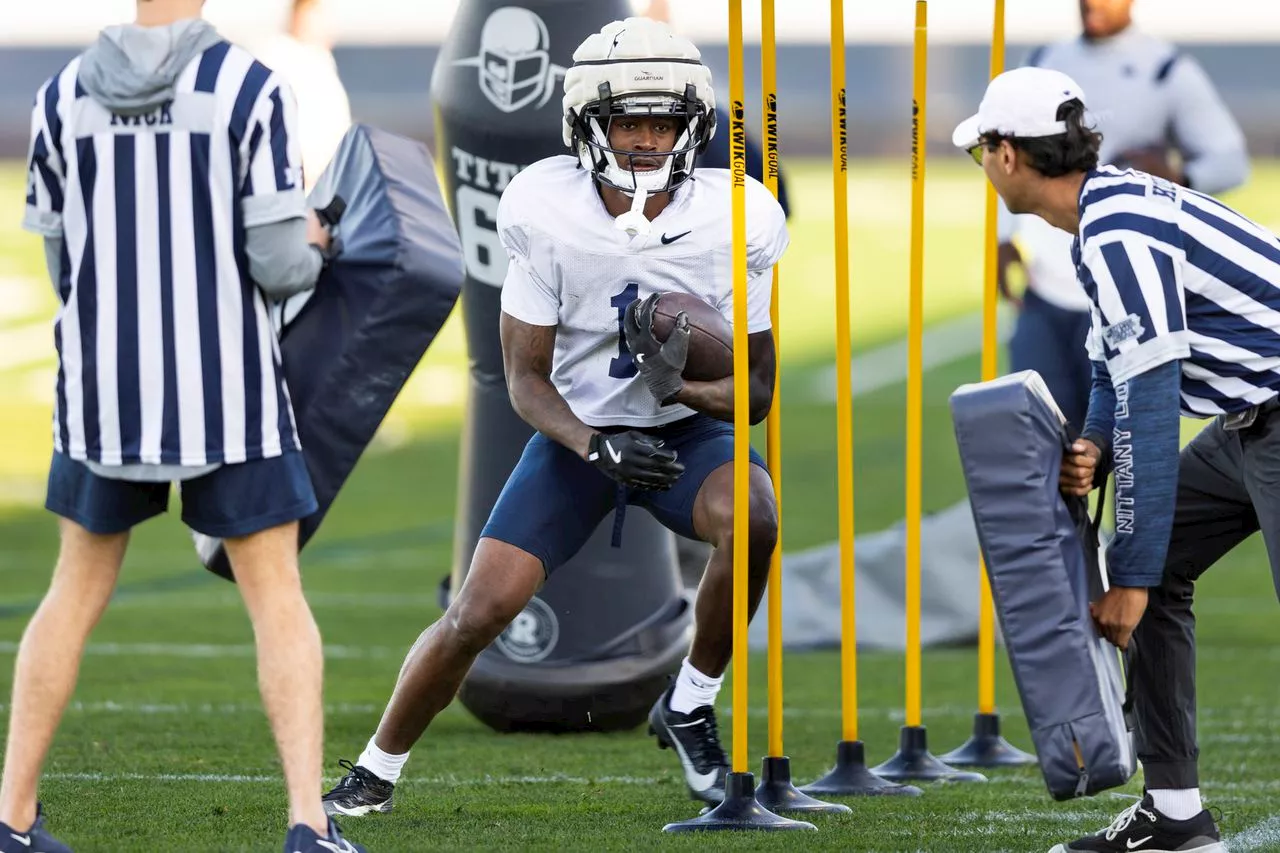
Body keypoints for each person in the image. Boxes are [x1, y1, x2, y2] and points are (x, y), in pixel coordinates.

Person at [321, 16, 786, 816]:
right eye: (628, 121)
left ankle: (688, 702)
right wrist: (595, 445)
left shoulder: (738, 215)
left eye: (663, 122)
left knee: (754, 517)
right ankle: (375, 770)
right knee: (479, 612)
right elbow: (524, 379)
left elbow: (756, 393)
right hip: (575, 436)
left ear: (693, 126)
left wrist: (675, 386)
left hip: (683, 437)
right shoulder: (544, 206)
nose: (645, 139)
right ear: (586, 125)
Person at [2, 2, 363, 851]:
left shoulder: (59, 97)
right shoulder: (248, 87)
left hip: (102, 392)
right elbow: (278, 263)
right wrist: (315, 238)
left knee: (72, 592)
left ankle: (11, 815)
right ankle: (308, 822)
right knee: (276, 599)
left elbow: (61, 260)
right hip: (227, 389)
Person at [952, 65, 1277, 853]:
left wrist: (1127, 575)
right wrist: (1094, 439)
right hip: (1250, 420)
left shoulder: (1116, 227)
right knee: (1161, 569)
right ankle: (1174, 814)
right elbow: (1114, 364)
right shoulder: (1109, 210)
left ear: (1005, 155)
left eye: (981, 153)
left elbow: (1156, 404)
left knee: (1148, 572)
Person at [995, 0, 1247, 431]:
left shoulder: (1164, 68)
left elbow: (1231, 160)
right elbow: (1009, 154)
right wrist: (1003, 236)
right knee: (1037, 448)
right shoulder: (1042, 61)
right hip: (1045, 289)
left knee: (1117, 453)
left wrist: (1179, 175)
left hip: (1120, 293)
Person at [251, 0, 352, 190]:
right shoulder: (280, 58)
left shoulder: (320, 61)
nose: (330, 27)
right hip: (297, 184)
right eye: (321, 16)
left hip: (324, 186)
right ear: (302, 16)